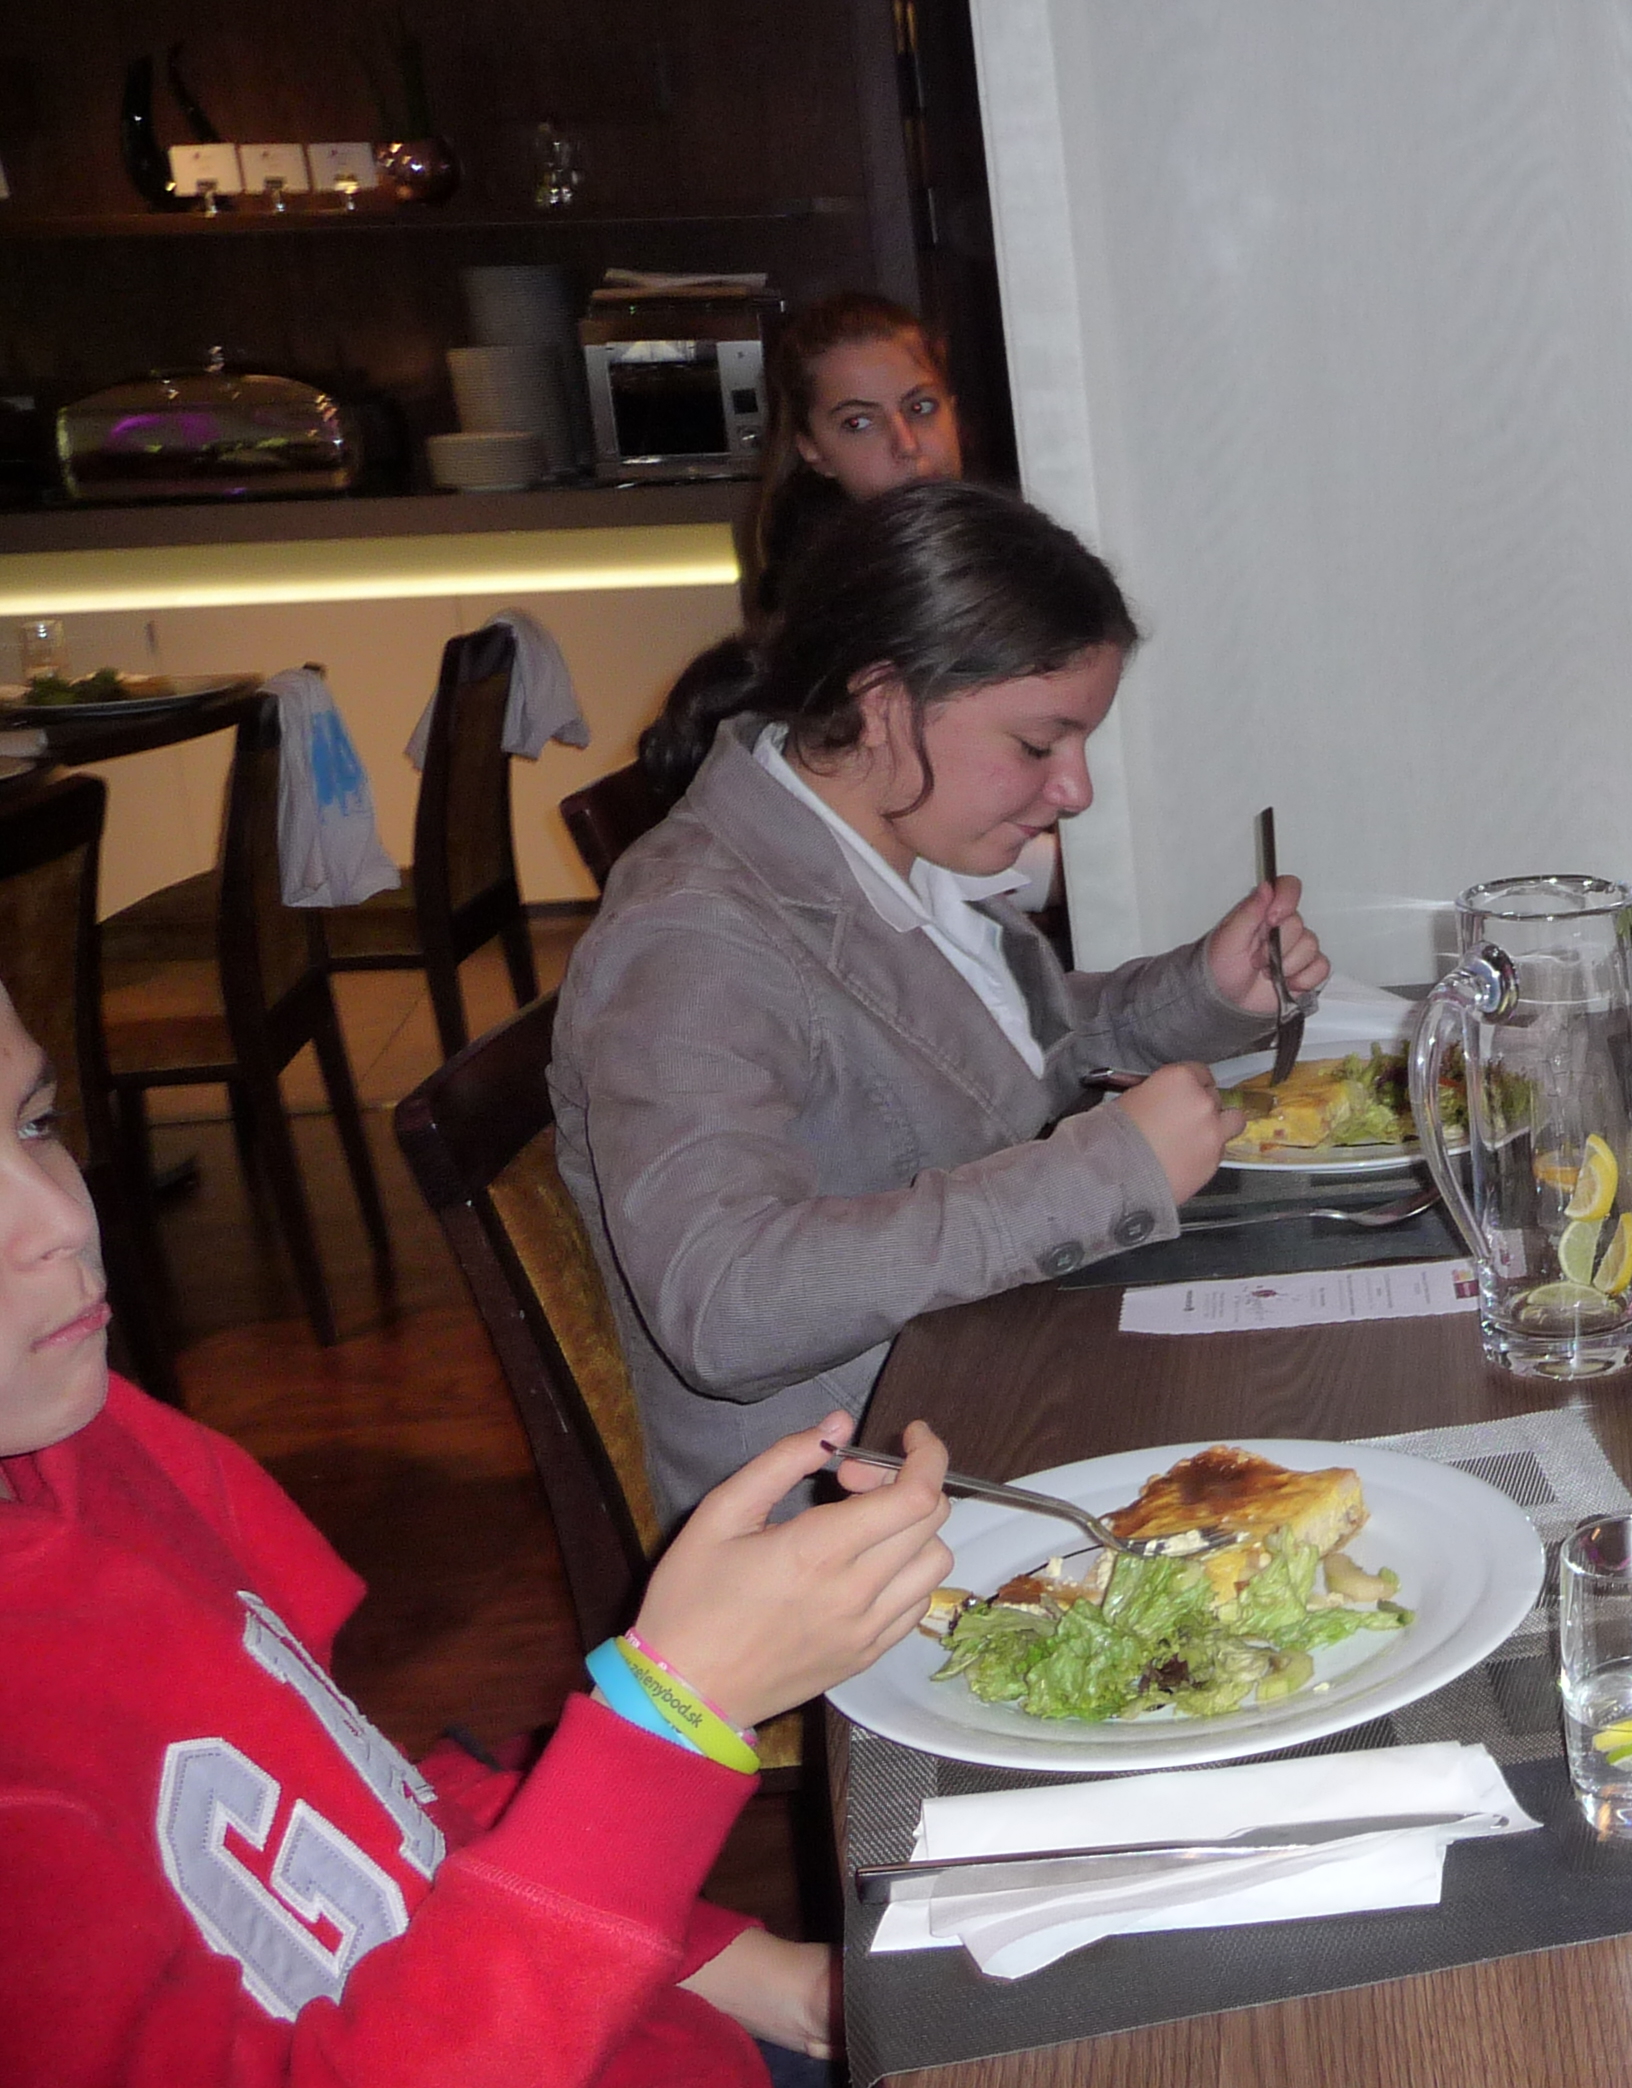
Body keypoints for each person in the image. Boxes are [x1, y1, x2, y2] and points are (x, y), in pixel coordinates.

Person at [0, 979, 957, 2087]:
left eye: (35, 1124)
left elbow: (374, 1820)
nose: (64, 1220)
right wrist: (673, 1717)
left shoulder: (94, 1453)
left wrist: (762, 1980)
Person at [558, 479, 1326, 1528]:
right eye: (1039, 744)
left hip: (995, 1389)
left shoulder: (885, 842)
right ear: (884, 703)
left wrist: (1206, 990)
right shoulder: (693, 937)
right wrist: (1099, 1174)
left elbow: (990, 1055)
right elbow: (724, 1303)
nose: (1076, 790)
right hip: (856, 1512)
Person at [740, 292, 966, 626]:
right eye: (858, 423)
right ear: (813, 451)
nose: (907, 444)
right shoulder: (824, 617)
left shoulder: (1016, 552)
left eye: (920, 407)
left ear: (953, 411)